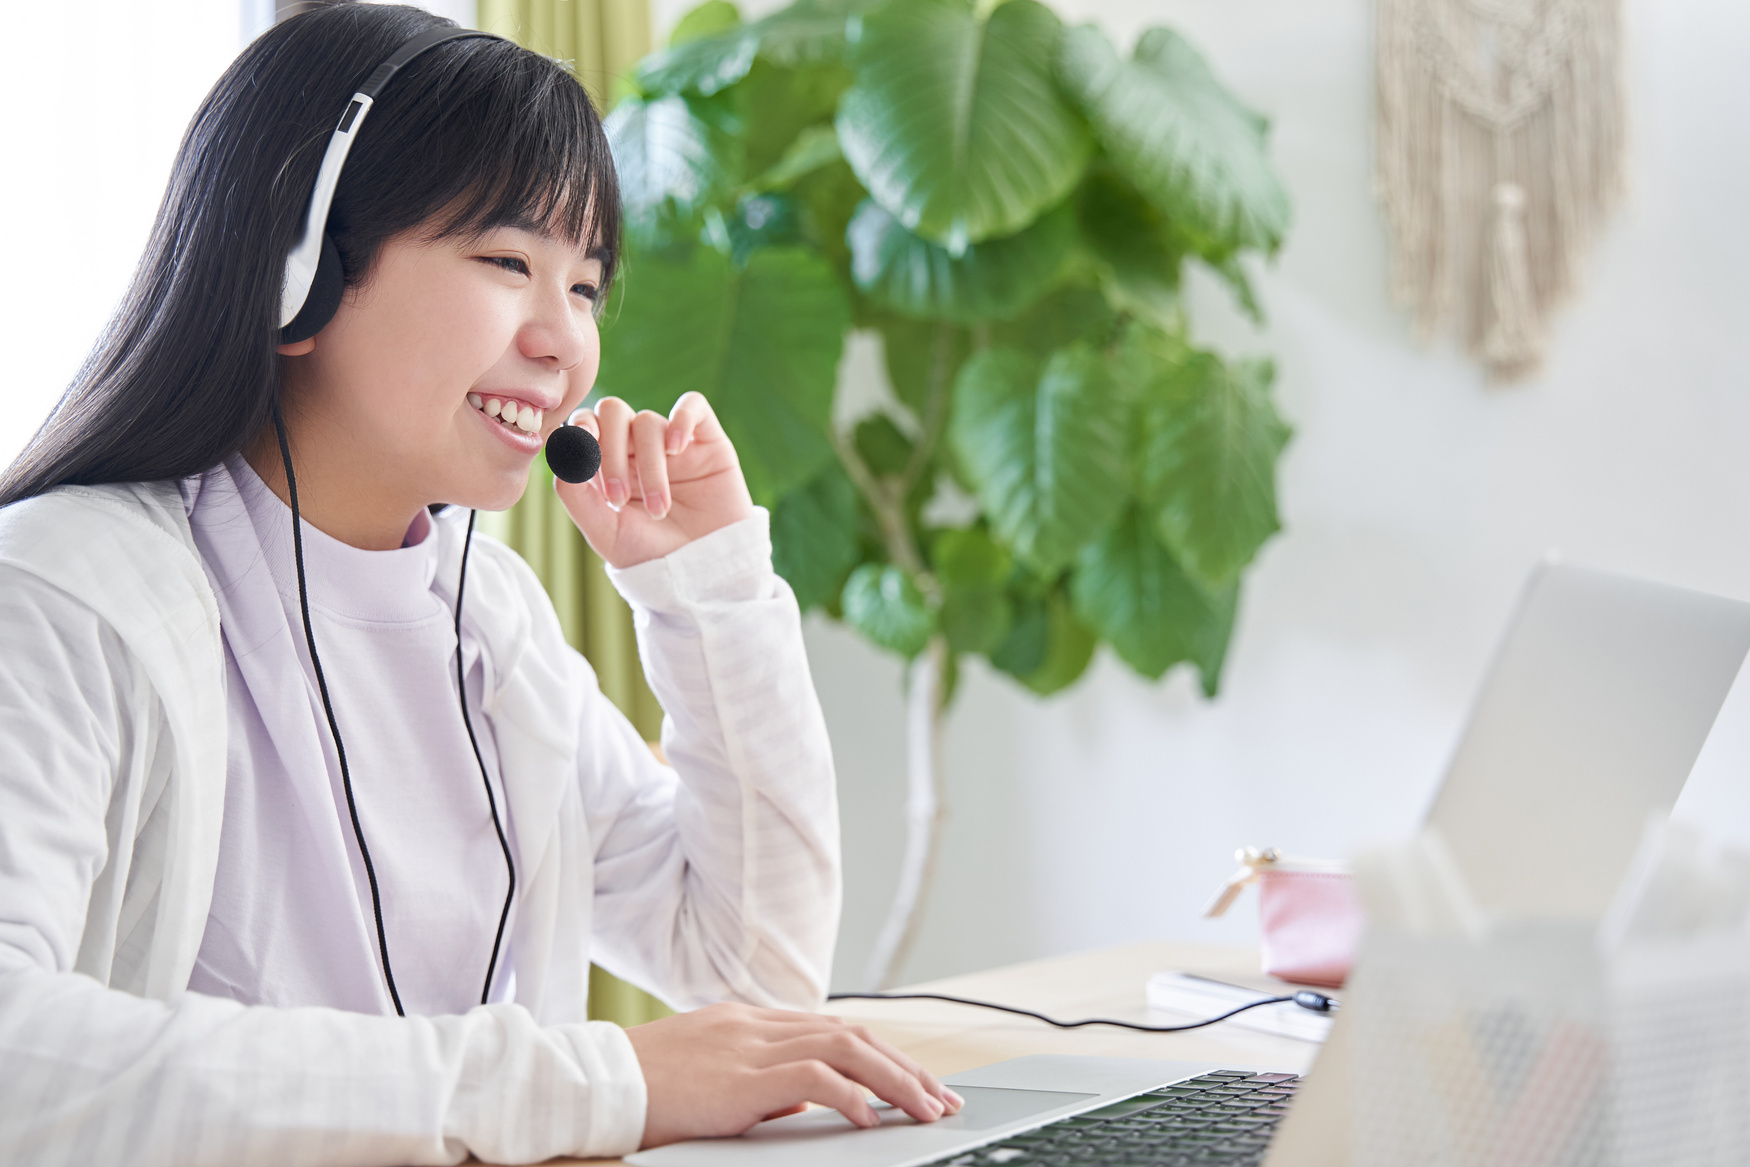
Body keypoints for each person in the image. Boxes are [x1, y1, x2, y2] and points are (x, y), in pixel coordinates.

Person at [0, 3, 958, 1163]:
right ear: (297, 275)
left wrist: (709, 595)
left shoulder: (485, 620)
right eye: (508, 262)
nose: (565, 342)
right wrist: (578, 1083)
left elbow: (748, 970)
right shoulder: (60, 597)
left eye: (588, 285)